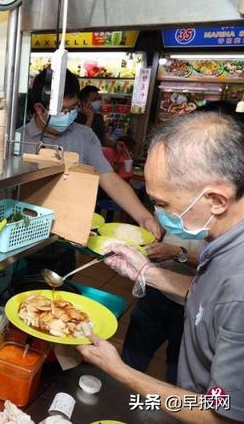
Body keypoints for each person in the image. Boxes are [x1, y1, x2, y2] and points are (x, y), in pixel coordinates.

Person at [79, 111, 244, 422]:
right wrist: (146, 271)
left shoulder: (240, 286)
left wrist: (120, 371)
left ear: (217, 200)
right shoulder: (226, 241)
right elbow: (210, 298)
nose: (159, 213)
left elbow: (219, 416)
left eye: (164, 204)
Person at [23, 69, 162, 239]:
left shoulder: (85, 136)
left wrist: (144, 216)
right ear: (39, 108)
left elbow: (110, 180)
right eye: (62, 110)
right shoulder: (18, 139)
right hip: (24, 230)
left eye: (73, 108)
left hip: (67, 235)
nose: (68, 116)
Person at [122, 234, 203, 384]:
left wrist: (178, 253)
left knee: (179, 372)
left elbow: (219, 267)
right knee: (131, 359)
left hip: (195, 307)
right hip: (156, 290)